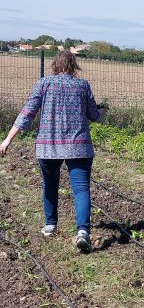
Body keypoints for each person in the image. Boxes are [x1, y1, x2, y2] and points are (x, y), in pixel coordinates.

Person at [0, 50, 106, 253]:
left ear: (55, 65)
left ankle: (50, 225)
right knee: (81, 189)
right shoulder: (83, 85)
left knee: (50, 184)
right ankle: (83, 232)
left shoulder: (44, 84)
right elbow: (94, 115)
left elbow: (27, 113)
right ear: (74, 66)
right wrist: (103, 111)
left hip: (48, 147)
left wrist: (8, 139)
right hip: (79, 146)